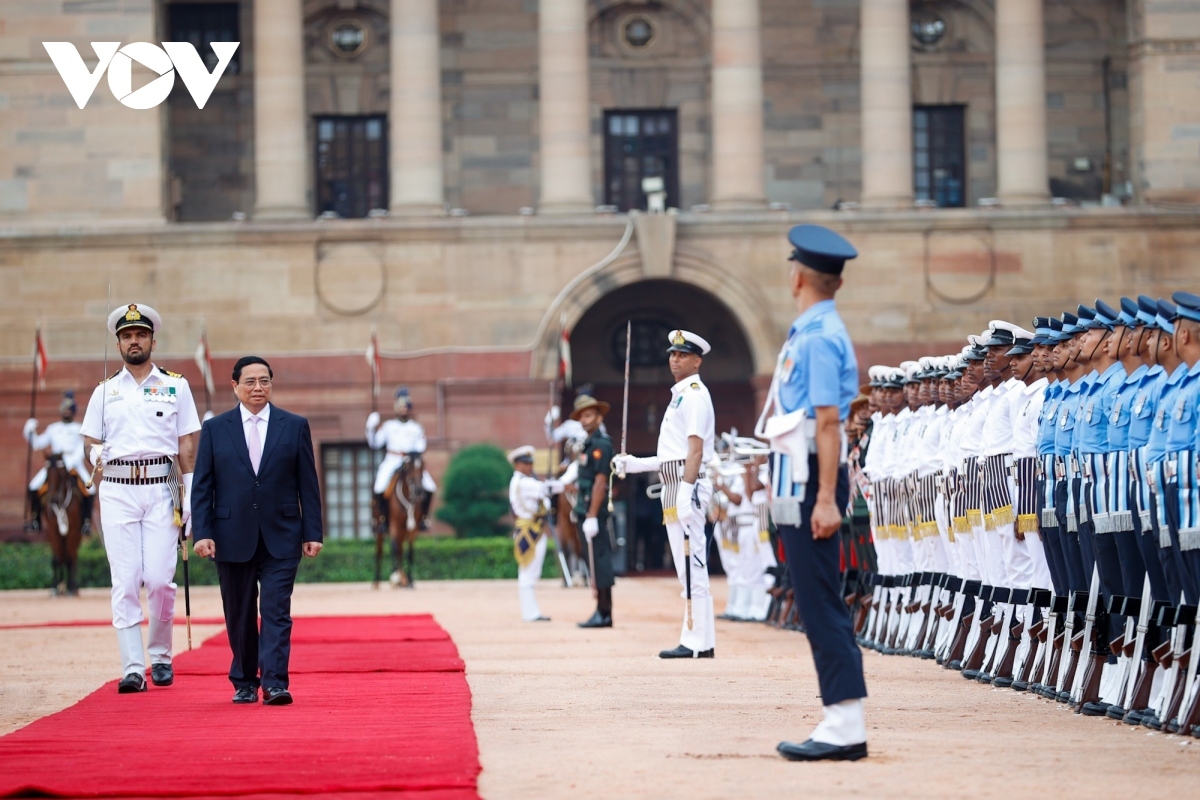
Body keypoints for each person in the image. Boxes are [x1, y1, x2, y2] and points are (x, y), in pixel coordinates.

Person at [764, 225, 868, 762]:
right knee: (810, 596)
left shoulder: (821, 336)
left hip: (811, 480)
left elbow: (829, 423)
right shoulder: (808, 331)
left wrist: (827, 498)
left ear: (799, 276)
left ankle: (845, 721)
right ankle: (839, 716)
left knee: (821, 598)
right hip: (796, 476)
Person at [80, 303, 201, 694]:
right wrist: (98, 454)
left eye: (141, 335)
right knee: (127, 579)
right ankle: (133, 667)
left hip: (161, 487)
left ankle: (161, 656)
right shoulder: (105, 390)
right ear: (118, 343)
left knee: (161, 580)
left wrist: (191, 495)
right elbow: (90, 442)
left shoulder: (175, 385)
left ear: (152, 339)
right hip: (117, 490)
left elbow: (185, 443)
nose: (135, 341)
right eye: (127, 336)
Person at [191, 356, 324, 705]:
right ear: (234, 386)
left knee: (277, 611)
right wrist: (202, 532)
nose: (257, 388)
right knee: (239, 613)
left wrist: (313, 531)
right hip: (231, 536)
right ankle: (245, 681)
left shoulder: (293, 426)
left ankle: (275, 682)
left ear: (271, 385)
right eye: (249, 382)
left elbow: (307, 484)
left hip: (282, 535)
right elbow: (203, 486)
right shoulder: (215, 429)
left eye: (264, 381)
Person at [615, 329, 718, 659]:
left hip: (686, 487)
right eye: (672, 354)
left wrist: (687, 493)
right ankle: (700, 639)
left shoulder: (696, 394)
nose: (675, 359)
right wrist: (634, 464)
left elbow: (695, 451)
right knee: (685, 568)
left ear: (697, 361)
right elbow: (671, 454)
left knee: (693, 567)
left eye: (683, 355)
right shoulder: (680, 396)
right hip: (673, 486)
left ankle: (696, 642)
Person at [571, 395, 616, 628]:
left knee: (600, 560)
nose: (584, 419)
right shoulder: (587, 444)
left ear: (599, 417)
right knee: (593, 562)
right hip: (585, 508)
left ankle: (605, 612)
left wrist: (591, 515)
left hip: (593, 511)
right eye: (581, 416)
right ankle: (601, 610)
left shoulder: (601, 445)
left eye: (589, 415)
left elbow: (601, 483)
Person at [367, 387, 437, 532]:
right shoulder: (388, 426)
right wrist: (370, 427)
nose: (403, 410)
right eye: (400, 407)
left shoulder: (416, 428)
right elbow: (375, 443)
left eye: (405, 407)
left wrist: (413, 453)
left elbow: (421, 446)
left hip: (410, 462)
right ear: (396, 408)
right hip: (392, 460)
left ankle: (423, 518)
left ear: (409, 409)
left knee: (430, 487)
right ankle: (382, 520)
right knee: (379, 487)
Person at [25, 390, 96, 534]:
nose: (66, 412)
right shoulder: (53, 428)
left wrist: (71, 462)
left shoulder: (79, 428)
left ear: (73, 411)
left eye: (69, 410)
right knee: (33, 486)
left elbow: (82, 448)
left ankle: (86, 522)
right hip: (54, 465)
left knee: (91, 489)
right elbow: (37, 443)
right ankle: (35, 519)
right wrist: (30, 431)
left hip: (73, 464)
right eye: (64, 409)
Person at [508, 445, 561, 622]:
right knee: (528, 574)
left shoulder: (522, 481)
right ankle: (530, 614)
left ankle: (531, 612)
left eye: (530, 463)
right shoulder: (524, 483)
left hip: (531, 528)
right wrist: (560, 482)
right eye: (525, 463)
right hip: (531, 530)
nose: (529, 467)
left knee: (529, 574)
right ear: (517, 464)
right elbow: (547, 490)